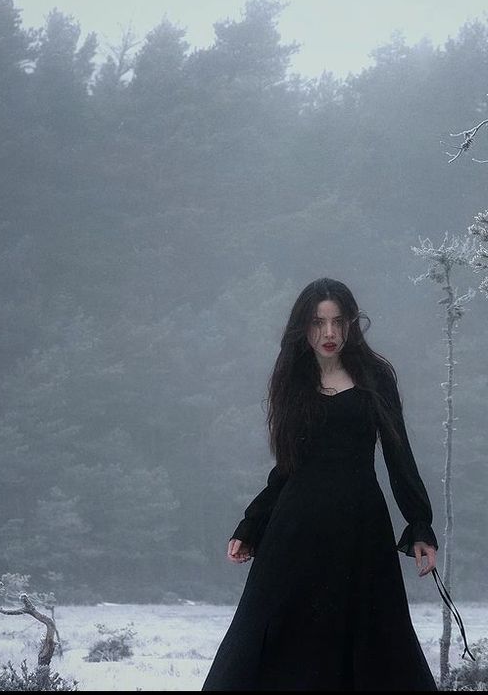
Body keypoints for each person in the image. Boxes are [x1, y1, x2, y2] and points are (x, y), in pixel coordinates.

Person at [202, 277, 440, 691]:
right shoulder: (293, 380)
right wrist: (253, 522)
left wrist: (419, 522)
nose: (329, 333)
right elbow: (287, 468)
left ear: (352, 323)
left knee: (376, 642)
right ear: (303, 328)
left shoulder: (376, 378)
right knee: (272, 639)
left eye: (337, 321)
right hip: (296, 531)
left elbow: (398, 453)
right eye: (317, 323)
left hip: (360, 530)